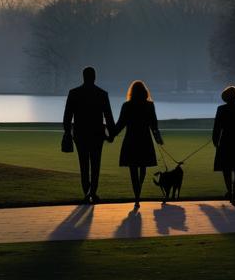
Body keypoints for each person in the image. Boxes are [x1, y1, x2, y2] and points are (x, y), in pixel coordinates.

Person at [63, 67, 116, 204]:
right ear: (94, 77)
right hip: (97, 135)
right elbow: (108, 117)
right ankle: (93, 192)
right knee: (96, 164)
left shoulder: (74, 93)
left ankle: (87, 192)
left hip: (80, 135)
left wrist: (68, 133)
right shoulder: (102, 94)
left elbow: (67, 117)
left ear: (83, 77)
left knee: (84, 164)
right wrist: (112, 134)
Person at [111, 79, 163, 209]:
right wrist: (158, 138)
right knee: (142, 167)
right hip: (145, 139)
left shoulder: (127, 106)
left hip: (131, 140)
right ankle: (138, 190)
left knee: (133, 169)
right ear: (145, 92)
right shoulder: (149, 105)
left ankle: (137, 196)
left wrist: (111, 135)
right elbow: (154, 125)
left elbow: (120, 124)